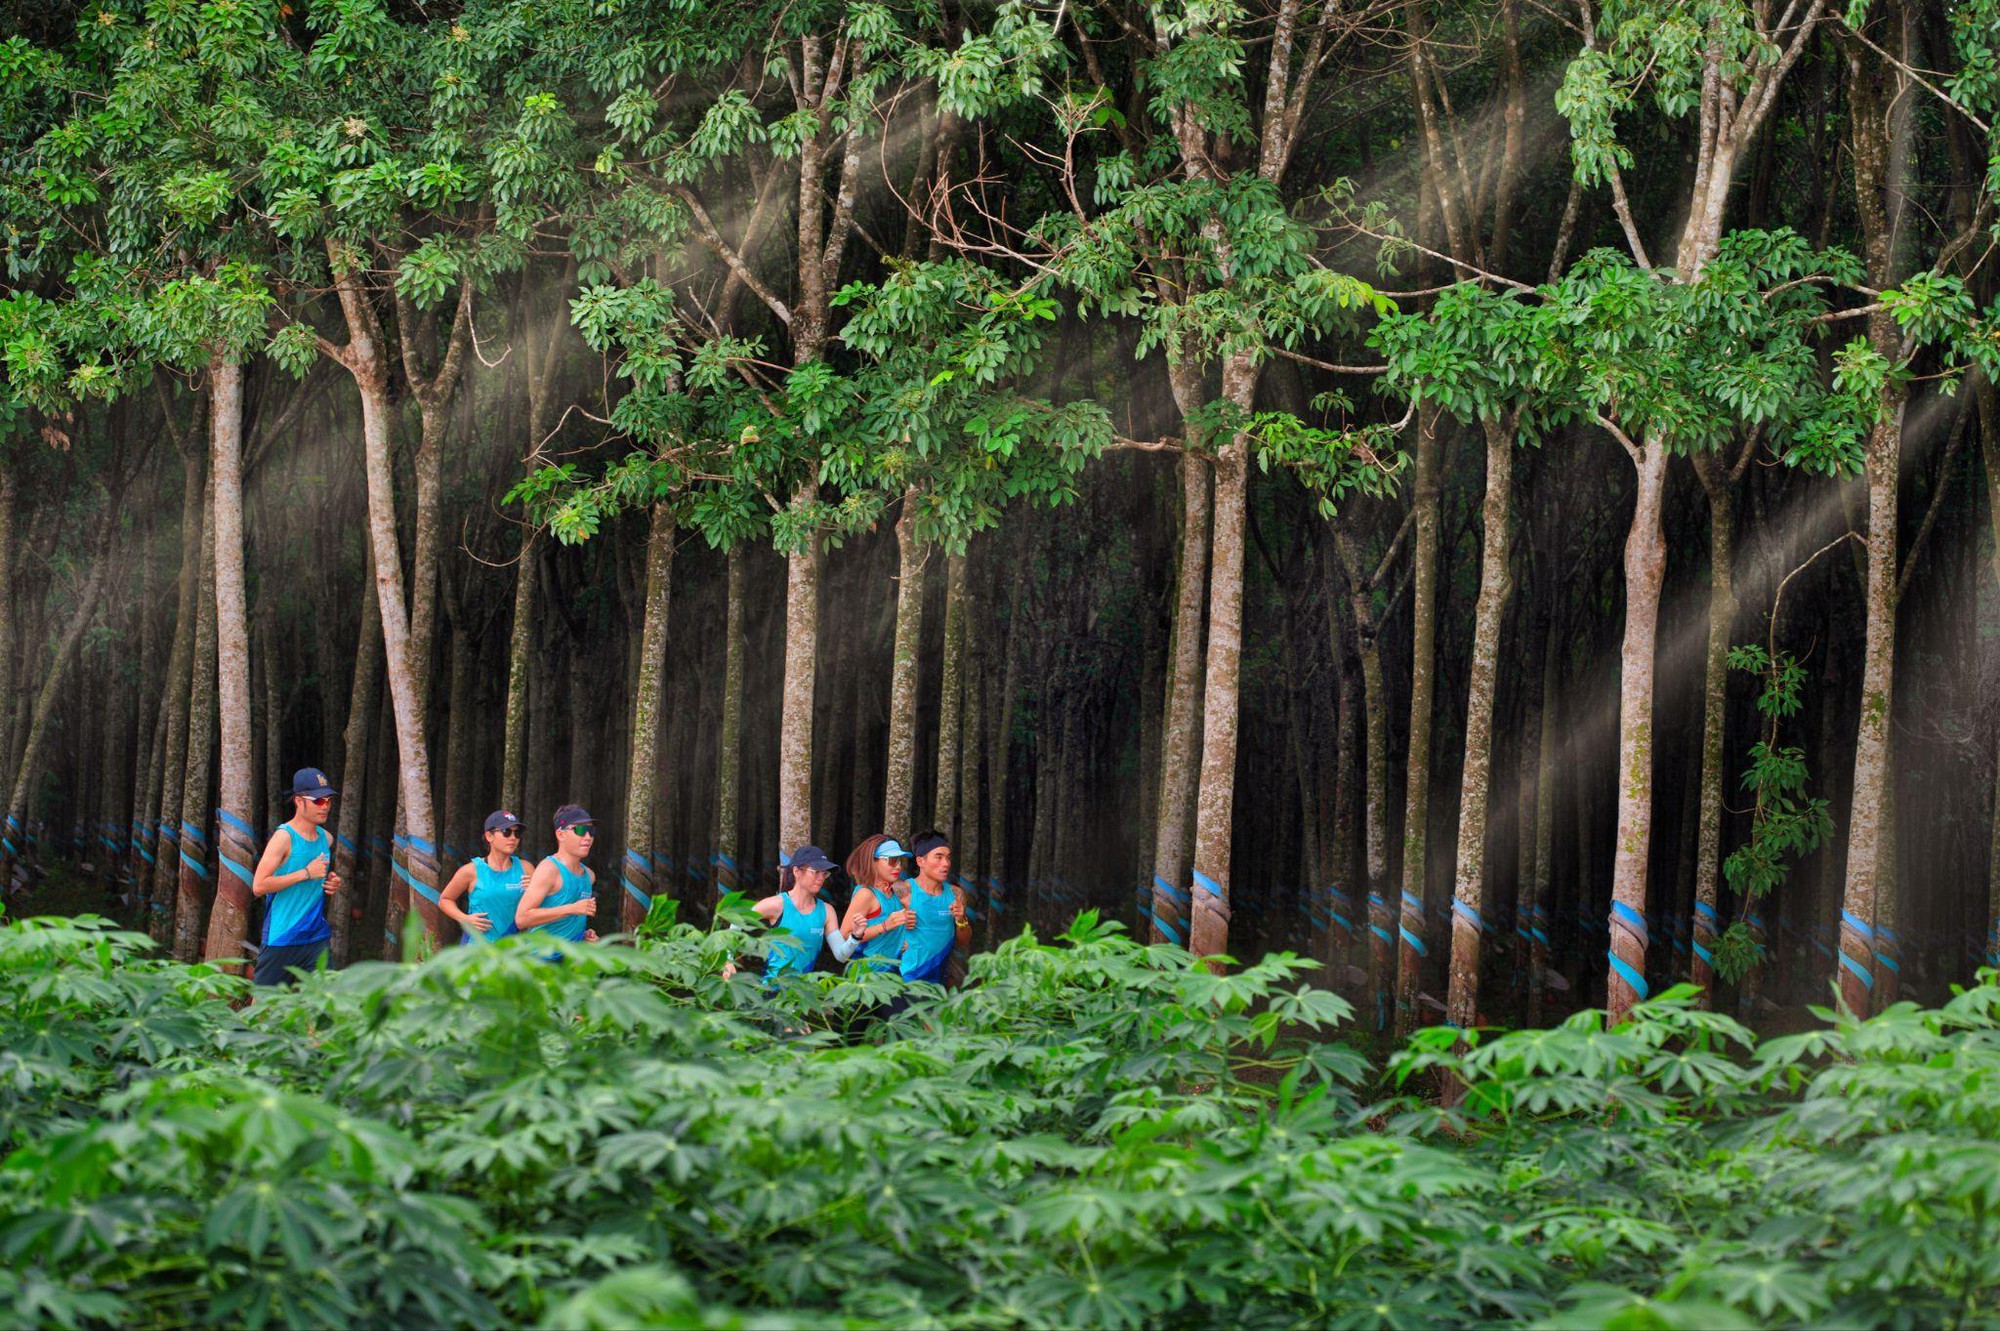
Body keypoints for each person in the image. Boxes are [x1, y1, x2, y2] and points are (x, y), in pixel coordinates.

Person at [249, 767, 341, 986]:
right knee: (264, 1007)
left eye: (328, 800)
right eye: (318, 801)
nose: (325, 806)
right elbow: (259, 885)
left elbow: (320, 877)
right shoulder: (284, 838)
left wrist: (331, 882)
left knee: (326, 1003)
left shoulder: (326, 839)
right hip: (283, 936)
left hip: (316, 936)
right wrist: (305, 873)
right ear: (299, 801)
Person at [722, 845, 858, 981]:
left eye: (824, 874)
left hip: (805, 992)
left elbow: (841, 956)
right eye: (815, 872)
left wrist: (855, 936)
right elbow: (738, 920)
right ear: (797, 871)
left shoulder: (827, 911)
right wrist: (728, 961)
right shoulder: (777, 904)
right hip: (774, 991)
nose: (821, 878)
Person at [516, 804, 600, 947]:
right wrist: (571, 909)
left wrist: (583, 935)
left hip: (572, 961)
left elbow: (567, 923)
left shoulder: (589, 876)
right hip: (543, 961)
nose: (588, 837)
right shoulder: (549, 869)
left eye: (591, 831)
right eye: (580, 830)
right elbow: (522, 918)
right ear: (560, 834)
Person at [439, 811, 528, 943]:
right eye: (506, 832)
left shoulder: (526, 868)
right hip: (478, 949)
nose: (513, 837)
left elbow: (541, 905)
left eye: (517, 833)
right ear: (489, 836)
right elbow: (445, 899)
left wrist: (534, 890)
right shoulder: (471, 870)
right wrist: (464, 919)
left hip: (513, 950)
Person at [899, 830, 970, 985]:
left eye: (948, 857)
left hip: (942, 977)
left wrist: (961, 919)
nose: (946, 863)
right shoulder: (903, 891)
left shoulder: (956, 894)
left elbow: (963, 941)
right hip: (908, 978)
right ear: (920, 861)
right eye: (938, 857)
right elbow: (875, 927)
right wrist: (898, 923)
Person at [841, 834, 916, 972]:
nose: (898, 867)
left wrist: (900, 938)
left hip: (890, 972)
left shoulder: (891, 892)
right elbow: (845, 935)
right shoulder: (865, 894)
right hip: (867, 975)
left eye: (900, 861)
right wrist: (885, 926)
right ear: (872, 862)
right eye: (892, 861)